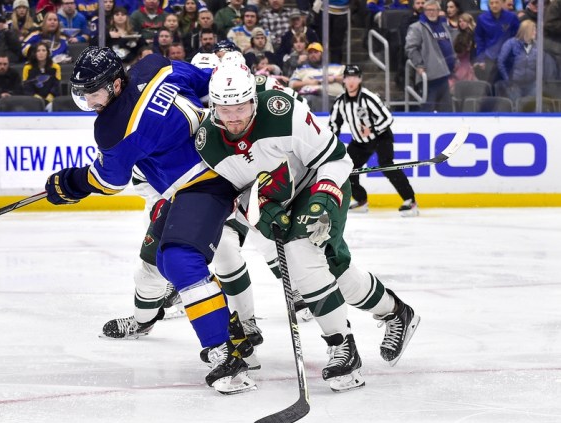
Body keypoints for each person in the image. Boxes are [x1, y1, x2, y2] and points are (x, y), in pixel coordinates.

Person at [195, 55, 422, 392]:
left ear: (252, 99)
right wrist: (259, 208)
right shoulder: (207, 141)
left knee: (302, 256)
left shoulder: (282, 110)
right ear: (213, 106)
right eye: (225, 110)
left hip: (320, 183)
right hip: (279, 200)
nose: (234, 118)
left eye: (241, 107)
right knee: (334, 270)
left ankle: (342, 348)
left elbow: (335, 158)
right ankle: (396, 311)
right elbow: (238, 192)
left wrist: (323, 198)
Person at [44, 46, 257, 395]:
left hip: (208, 183)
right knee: (158, 259)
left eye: (93, 93)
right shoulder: (157, 67)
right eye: (82, 95)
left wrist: (70, 183)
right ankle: (220, 325)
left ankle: (226, 353)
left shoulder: (114, 126)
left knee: (181, 259)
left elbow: (109, 181)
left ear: (115, 85)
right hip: (216, 171)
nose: (89, 102)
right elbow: (211, 87)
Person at [329, 65, 419, 216]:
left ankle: (410, 201)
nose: (351, 81)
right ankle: (361, 200)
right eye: (348, 77)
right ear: (343, 80)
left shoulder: (369, 97)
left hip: (381, 137)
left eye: (355, 77)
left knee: (387, 166)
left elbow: (387, 118)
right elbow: (334, 124)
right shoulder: (340, 102)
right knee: (347, 169)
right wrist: (330, 144)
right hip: (359, 142)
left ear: (360, 79)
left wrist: (373, 129)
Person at [405, 0, 455, 112]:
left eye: (434, 10)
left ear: (439, 11)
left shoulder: (444, 26)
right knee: (427, 112)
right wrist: (419, 64)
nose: (431, 13)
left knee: (447, 113)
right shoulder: (416, 27)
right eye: (428, 10)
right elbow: (411, 48)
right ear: (424, 12)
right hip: (429, 77)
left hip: (445, 75)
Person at [496, 19, 558, 101]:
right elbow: (501, 62)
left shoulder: (538, 46)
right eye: (533, 30)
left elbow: (544, 64)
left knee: (531, 107)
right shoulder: (511, 44)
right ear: (526, 31)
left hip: (532, 85)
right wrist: (508, 80)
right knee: (517, 107)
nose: (535, 33)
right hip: (514, 84)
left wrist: (541, 81)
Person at [474, 0, 520, 84]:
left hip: (507, 59)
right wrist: (481, 58)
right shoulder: (482, 18)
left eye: (497, 2)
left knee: (507, 87)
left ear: (502, 3)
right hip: (490, 60)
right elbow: (479, 39)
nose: (494, 5)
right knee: (489, 87)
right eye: (491, 3)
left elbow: (517, 37)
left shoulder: (512, 17)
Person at [22, 41, 61, 110]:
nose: (41, 53)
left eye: (44, 50)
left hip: (51, 99)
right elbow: (27, 86)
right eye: (38, 51)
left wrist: (50, 97)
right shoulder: (27, 68)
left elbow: (56, 85)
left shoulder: (55, 67)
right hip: (33, 99)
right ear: (34, 53)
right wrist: (37, 98)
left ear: (47, 53)